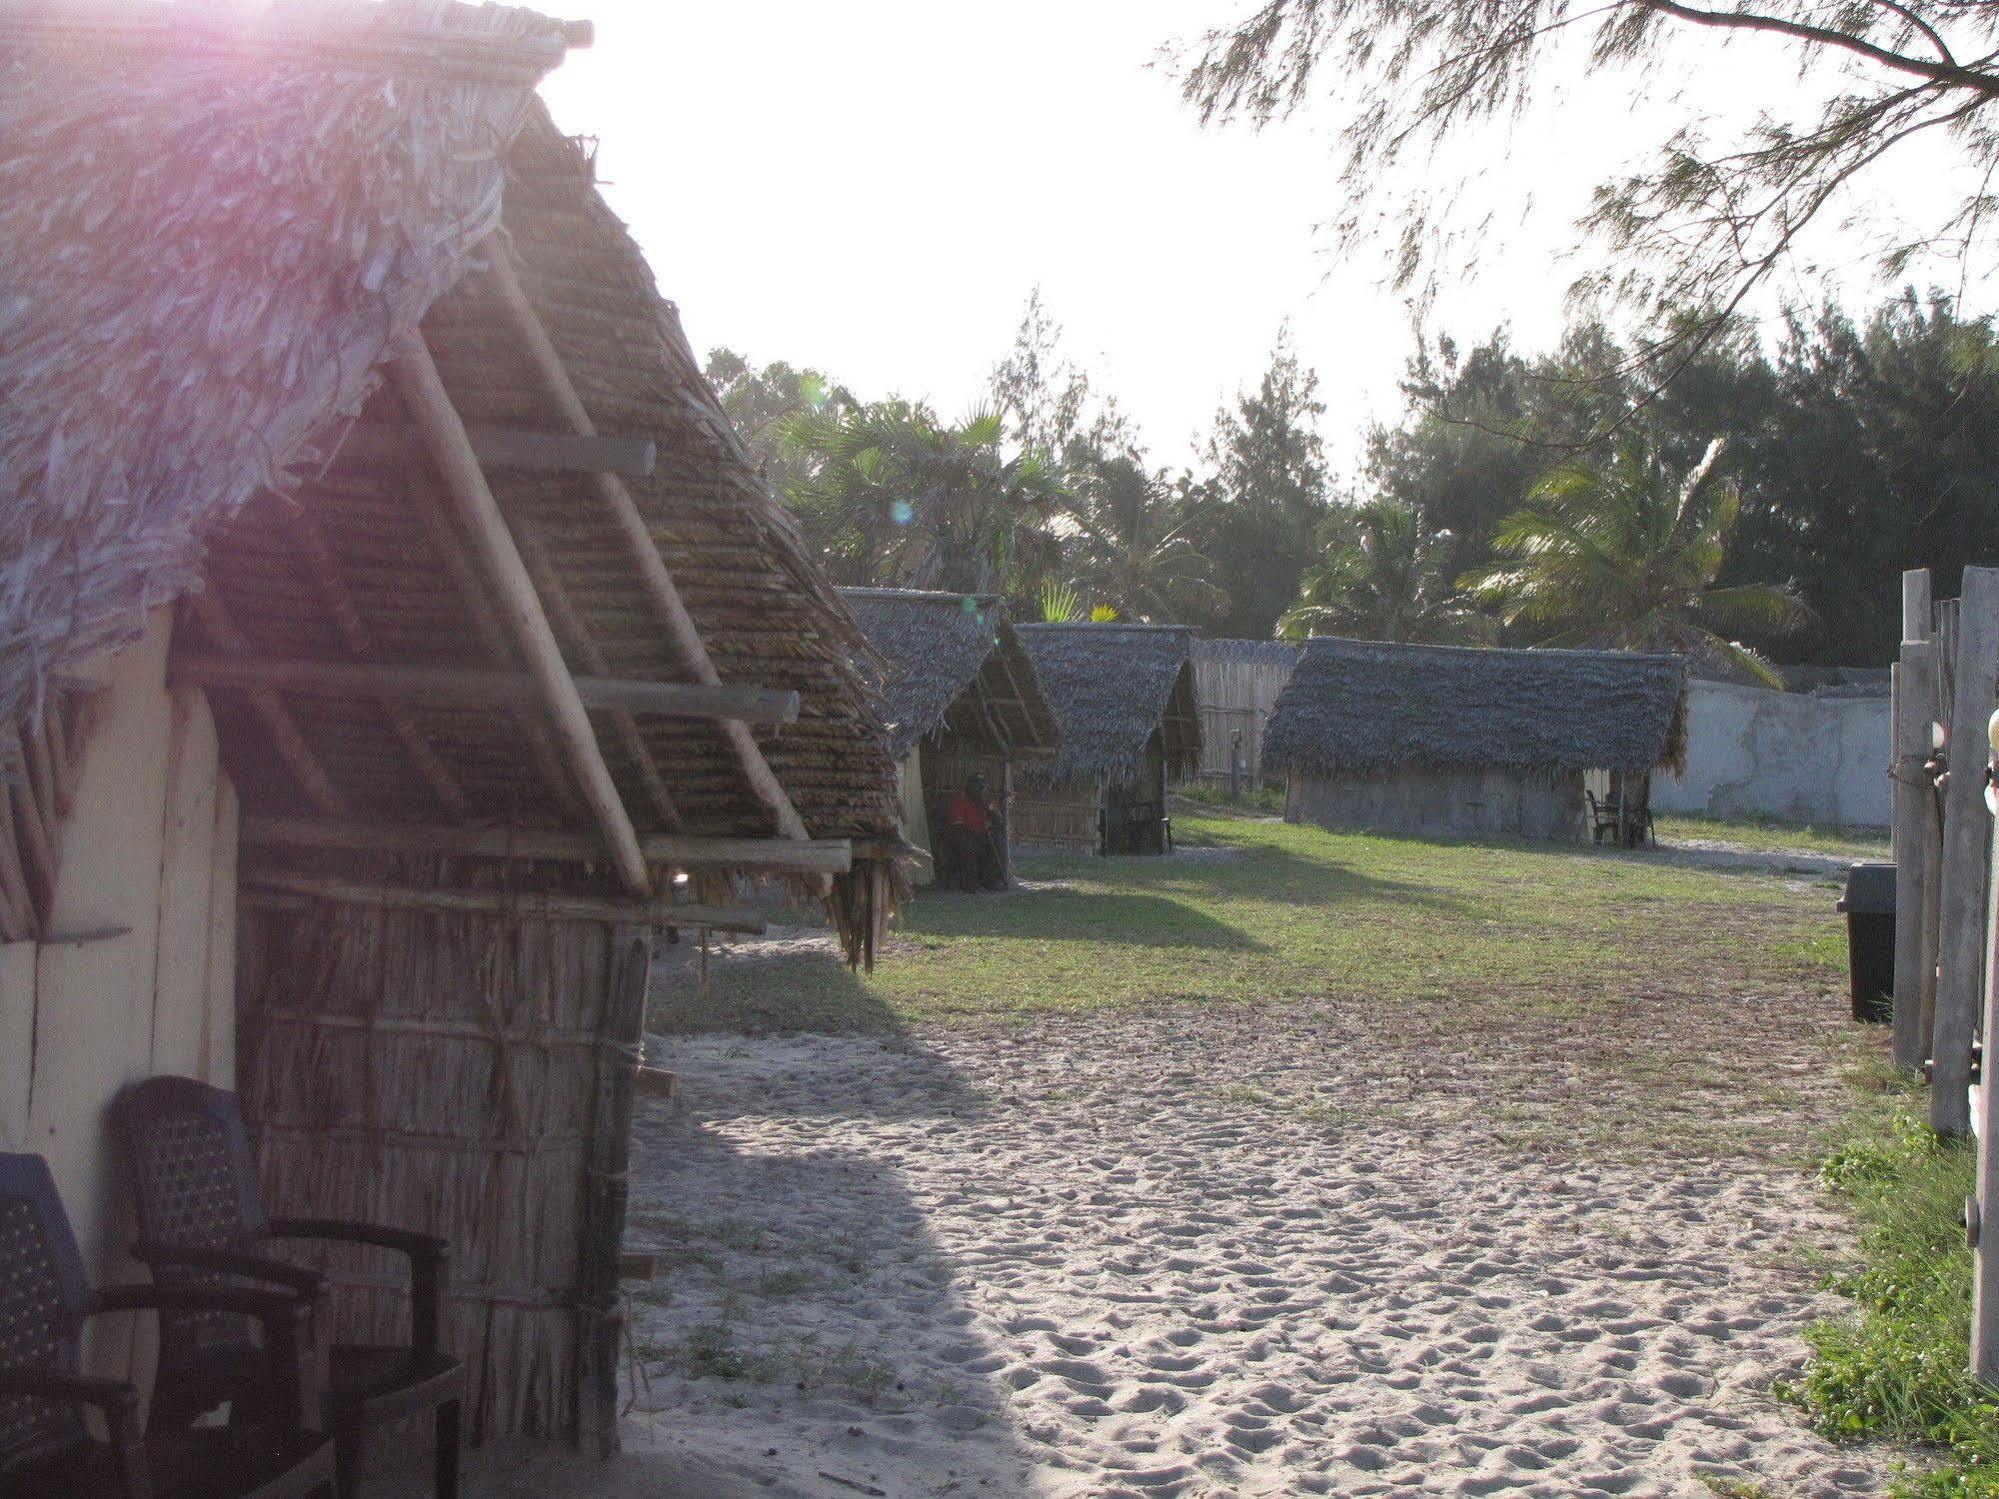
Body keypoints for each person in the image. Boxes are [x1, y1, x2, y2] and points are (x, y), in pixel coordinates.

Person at [941, 773, 1007, 892]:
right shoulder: (961, 800)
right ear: (972, 789)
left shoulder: (985, 801)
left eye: (983, 788)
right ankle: (970, 884)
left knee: (997, 842)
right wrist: (975, 835)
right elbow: (957, 827)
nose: (983, 791)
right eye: (980, 788)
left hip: (981, 836)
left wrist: (991, 811)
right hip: (962, 837)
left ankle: (990, 881)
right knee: (968, 844)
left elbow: (999, 821)